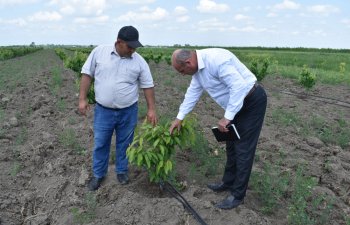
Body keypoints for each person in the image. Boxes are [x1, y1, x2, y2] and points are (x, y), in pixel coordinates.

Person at [169, 48, 267, 209]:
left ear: (188, 62)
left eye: (181, 71)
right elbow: (192, 93)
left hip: (251, 102)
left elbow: (239, 87)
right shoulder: (197, 72)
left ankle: (237, 195)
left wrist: (227, 117)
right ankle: (227, 182)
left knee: (243, 149)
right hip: (235, 105)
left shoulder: (216, 60)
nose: (182, 74)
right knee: (231, 144)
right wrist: (179, 118)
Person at [78, 25, 158, 191]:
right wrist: (82, 99)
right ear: (118, 42)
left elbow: (147, 86)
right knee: (101, 143)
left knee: (126, 144)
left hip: (128, 111)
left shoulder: (139, 62)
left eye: (135, 47)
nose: (133, 50)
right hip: (103, 111)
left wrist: (151, 109)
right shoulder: (99, 52)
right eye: (130, 46)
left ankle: (122, 171)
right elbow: (87, 75)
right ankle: (98, 174)